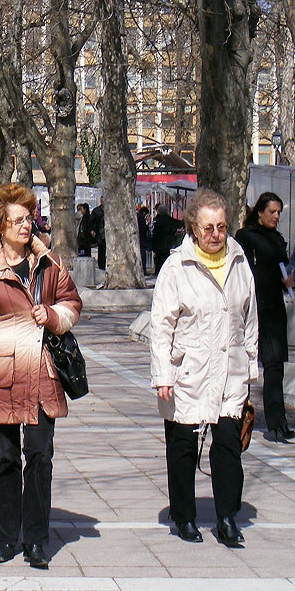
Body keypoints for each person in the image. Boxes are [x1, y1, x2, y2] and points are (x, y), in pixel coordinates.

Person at [0, 183, 82, 568]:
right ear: (0, 226)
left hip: (42, 376)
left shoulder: (49, 263)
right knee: (4, 458)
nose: (28, 225)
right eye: (19, 220)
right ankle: (7, 536)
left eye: (30, 218)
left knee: (40, 456)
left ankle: (37, 540)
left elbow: (73, 302)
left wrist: (55, 316)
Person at [150, 189, 258, 547]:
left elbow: (250, 319)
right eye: (208, 227)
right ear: (193, 228)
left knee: (228, 444)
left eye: (222, 227)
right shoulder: (176, 267)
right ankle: (184, 515)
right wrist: (162, 375)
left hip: (230, 370)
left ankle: (227, 517)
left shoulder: (240, 262)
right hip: (187, 371)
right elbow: (161, 324)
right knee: (181, 446)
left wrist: (251, 366)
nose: (216, 234)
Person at [235, 192, 294, 441]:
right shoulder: (246, 237)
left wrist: (288, 281)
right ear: (259, 212)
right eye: (272, 211)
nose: (276, 216)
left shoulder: (278, 239)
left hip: (273, 310)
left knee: (274, 367)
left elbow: (282, 270)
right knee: (242, 366)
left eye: (279, 212)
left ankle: (277, 422)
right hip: (251, 308)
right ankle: (236, 417)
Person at [152, 204, 183, 275]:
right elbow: (181, 224)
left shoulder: (158, 221)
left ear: (158, 211)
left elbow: (155, 234)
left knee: (159, 262)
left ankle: (159, 273)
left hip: (160, 246)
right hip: (170, 245)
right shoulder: (172, 220)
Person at [89, 198, 105, 269]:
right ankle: (101, 264)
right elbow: (91, 222)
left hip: (106, 232)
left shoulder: (110, 210)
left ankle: (104, 263)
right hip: (99, 233)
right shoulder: (96, 211)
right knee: (101, 248)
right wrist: (92, 230)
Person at [137, 206, 151, 275]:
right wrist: (147, 225)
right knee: (143, 257)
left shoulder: (137, 216)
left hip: (138, 240)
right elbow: (143, 229)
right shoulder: (141, 218)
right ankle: (144, 271)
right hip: (142, 241)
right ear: (144, 212)